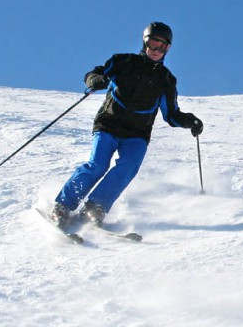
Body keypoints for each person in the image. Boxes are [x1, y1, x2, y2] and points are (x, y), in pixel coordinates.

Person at [51, 21, 203, 228]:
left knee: (129, 167)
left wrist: (189, 121)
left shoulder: (166, 80)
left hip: (137, 133)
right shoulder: (123, 62)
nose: (157, 50)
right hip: (109, 123)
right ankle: (63, 205)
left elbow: (171, 114)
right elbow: (93, 74)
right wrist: (95, 81)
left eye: (163, 46)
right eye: (153, 43)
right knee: (98, 164)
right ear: (144, 42)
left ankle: (95, 206)